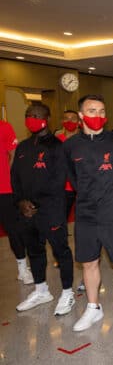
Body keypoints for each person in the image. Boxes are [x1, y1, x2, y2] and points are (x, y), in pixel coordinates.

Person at [63, 95, 113, 333]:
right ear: (81, 115)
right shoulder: (71, 146)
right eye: (92, 111)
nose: (98, 116)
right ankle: (93, 308)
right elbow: (73, 179)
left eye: (102, 111)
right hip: (85, 212)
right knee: (88, 262)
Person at [11, 104, 75, 314]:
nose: (32, 119)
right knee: (35, 251)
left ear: (46, 118)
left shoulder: (57, 146)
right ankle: (41, 290)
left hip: (50, 210)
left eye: (36, 115)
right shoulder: (23, 147)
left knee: (60, 251)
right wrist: (21, 201)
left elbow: (57, 181)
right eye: (28, 115)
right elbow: (15, 177)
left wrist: (35, 204)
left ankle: (67, 293)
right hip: (26, 211)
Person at [0, 118, 32, 284]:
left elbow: (13, 154)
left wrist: (10, 177)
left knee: (13, 230)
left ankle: (22, 268)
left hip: (4, 189)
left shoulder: (4, 127)